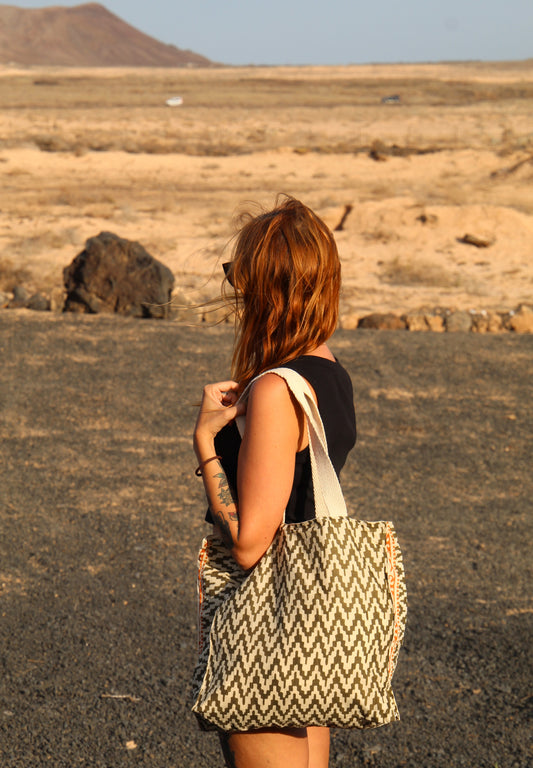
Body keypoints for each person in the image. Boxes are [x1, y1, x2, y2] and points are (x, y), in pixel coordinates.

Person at [193, 196, 357, 768]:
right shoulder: (328, 372)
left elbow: (249, 541)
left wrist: (206, 445)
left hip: (269, 624)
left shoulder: (274, 391)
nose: (233, 289)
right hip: (309, 618)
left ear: (266, 288)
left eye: (238, 274)